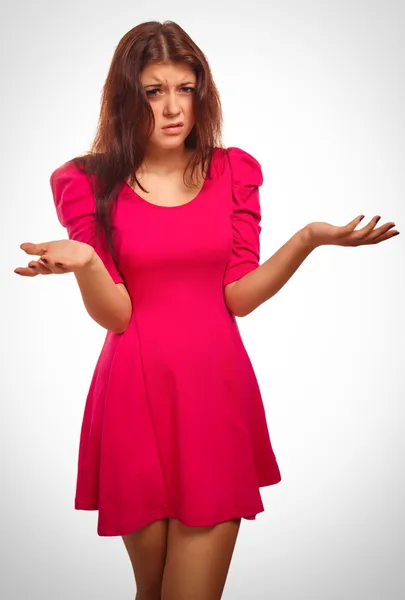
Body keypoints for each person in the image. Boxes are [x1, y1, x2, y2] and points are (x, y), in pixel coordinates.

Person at [14, 19, 399, 600]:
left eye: (185, 88)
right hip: (133, 401)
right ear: (126, 97)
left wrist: (307, 240)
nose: (172, 107)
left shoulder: (234, 171)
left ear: (201, 93)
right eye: (153, 90)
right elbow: (117, 316)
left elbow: (237, 298)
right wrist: (87, 264)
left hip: (215, 399)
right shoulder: (85, 181)